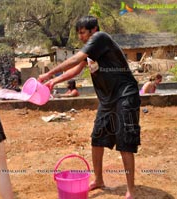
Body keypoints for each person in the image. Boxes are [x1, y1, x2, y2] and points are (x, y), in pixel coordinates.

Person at [38, 16, 140, 199]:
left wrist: (49, 73)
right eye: (79, 34)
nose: (81, 37)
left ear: (93, 30)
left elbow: (77, 57)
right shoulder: (93, 49)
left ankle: (131, 190)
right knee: (97, 138)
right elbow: (76, 69)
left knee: (125, 142)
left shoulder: (101, 37)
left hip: (125, 95)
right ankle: (99, 180)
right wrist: (53, 80)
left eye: (83, 32)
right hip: (107, 100)